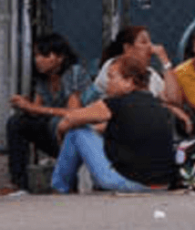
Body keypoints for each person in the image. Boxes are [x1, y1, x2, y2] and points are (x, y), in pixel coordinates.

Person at [51, 54, 177, 193]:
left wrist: (60, 134)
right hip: (162, 185)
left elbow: (70, 119)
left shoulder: (116, 103)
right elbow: (106, 129)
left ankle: (60, 187)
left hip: (130, 183)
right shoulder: (156, 104)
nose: (107, 83)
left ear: (129, 81)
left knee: (76, 132)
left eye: (111, 77)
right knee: (84, 132)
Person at [5, 33, 91, 195]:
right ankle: (19, 185)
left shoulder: (74, 73)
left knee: (57, 123)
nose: (39, 60)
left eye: (45, 55)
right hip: (54, 135)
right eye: (37, 55)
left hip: (79, 135)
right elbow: (36, 111)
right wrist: (25, 105)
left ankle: (68, 182)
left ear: (60, 58)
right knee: (17, 122)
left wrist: (32, 108)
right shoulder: (43, 79)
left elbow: (74, 113)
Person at [92, 26, 168, 100]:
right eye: (143, 42)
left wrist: (165, 60)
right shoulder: (114, 65)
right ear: (128, 48)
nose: (150, 47)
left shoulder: (151, 73)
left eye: (150, 42)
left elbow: (172, 98)